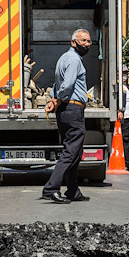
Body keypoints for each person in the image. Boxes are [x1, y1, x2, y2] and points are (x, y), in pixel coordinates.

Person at [40, 29, 92, 204]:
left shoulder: (64, 58)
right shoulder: (74, 59)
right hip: (72, 109)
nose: (87, 44)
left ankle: (72, 190)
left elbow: (58, 83)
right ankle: (51, 188)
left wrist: (55, 99)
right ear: (73, 42)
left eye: (89, 41)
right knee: (71, 151)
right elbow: (67, 84)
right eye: (83, 40)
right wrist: (57, 99)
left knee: (75, 151)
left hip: (66, 110)